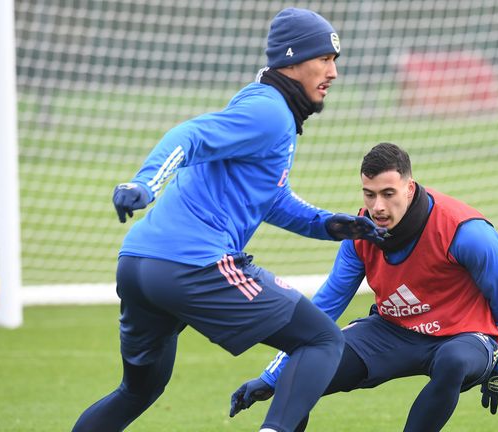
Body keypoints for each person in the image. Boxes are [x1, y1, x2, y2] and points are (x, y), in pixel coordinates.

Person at [72, 8, 387, 432]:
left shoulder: (268, 109)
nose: (333, 72)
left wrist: (329, 225)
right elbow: (191, 134)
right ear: (292, 61)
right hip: (192, 264)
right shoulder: (269, 111)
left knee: (139, 390)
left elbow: (269, 199)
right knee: (321, 339)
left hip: (139, 263)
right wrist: (145, 184)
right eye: (324, 59)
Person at [229, 142, 498, 432]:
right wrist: (272, 377)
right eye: (370, 195)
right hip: (393, 329)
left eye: (388, 193)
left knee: (453, 362)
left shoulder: (466, 232)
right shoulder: (360, 233)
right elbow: (325, 306)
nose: (377, 206)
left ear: (409, 188)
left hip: (465, 335)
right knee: (304, 369)